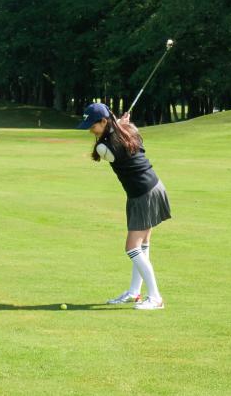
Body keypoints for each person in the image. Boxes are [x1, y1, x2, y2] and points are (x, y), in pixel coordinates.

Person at [76, 102, 171, 310]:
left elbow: (106, 146)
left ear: (104, 121)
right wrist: (121, 125)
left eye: (93, 125)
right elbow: (125, 135)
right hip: (152, 186)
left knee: (132, 247)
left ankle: (155, 297)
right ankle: (134, 291)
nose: (91, 130)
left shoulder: (103, 147)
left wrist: (118, 125)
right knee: (143, 245)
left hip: (143, 193)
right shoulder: (130, 131)